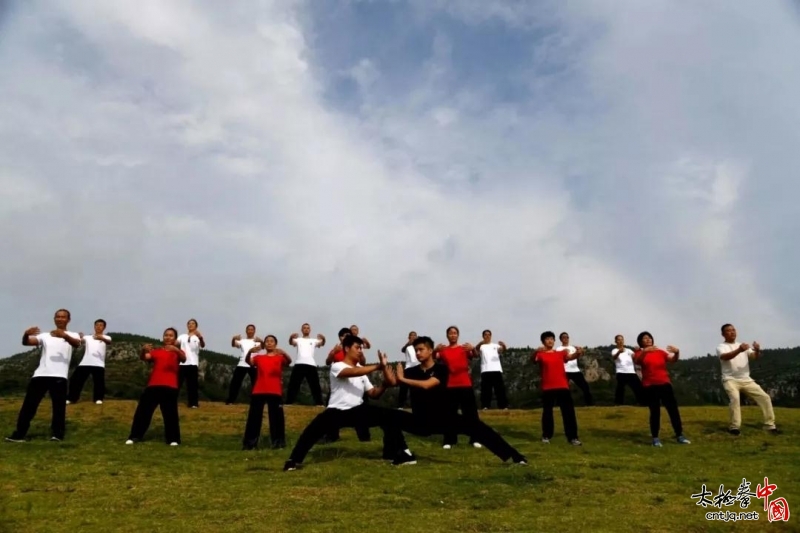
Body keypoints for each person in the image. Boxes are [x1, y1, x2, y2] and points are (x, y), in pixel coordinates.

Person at [384, 336, 528, 465]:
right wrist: (385, 368)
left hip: (443, 419)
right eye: (416, 350)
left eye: (421, 349)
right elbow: (393, 383)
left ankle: (515, 457)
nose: (417, 353)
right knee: (390, 417)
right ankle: (399, 454)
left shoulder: (442, 369)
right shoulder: (411, 372)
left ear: (430, 350)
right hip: (420, 420)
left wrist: (402, 379)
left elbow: (427, 385)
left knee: (479, 428)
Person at [283, 336, 415, 471]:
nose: (360, 351)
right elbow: (349, 373)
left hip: (357, 410)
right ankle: (293, 461)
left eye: (362, 348)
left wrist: (384, 385)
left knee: (389, 416)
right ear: (347, 348)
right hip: (336, 411)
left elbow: (373, 394)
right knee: (311, 432)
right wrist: (377, 366)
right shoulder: (337, 366)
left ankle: (400, 454)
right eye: (357, 348)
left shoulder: (362, 371)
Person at [5, 309, 81, 443]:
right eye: (57, 317)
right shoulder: (46, 336)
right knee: (29, 406)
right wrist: (25, 334)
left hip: (59, 376)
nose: (60, 319)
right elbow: (27, 342)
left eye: (63, 317)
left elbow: (77, 344)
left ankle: (57, 434)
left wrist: (64, 336)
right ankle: (19, 434)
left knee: (58, 407)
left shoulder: (73, 335)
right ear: (54, 319)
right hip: (40, 375)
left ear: (68, 320)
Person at [125, 328, 185, 445]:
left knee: (170, 414)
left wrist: (175, 350)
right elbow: (145, 357)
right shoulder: (157, 351)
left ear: (175, 339)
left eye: (171, 335)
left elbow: (184, 358)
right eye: (166, 335)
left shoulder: (177, 352)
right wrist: (143, 350)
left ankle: (173, 439)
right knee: (143, 411)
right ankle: (135, 436)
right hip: (153, 385)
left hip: (170, 386)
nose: (168, 337)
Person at [716, 324, 778, 435]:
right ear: (723, 334)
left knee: (765, 397)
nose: (732, 332)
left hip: (746, 379)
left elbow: (754, 357)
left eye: (733, 330)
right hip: (730, 379)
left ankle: (770, 425)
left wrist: (758, 350)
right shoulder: (721, 346)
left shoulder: (742, 345)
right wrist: (739, 350)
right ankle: (734, 427)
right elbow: (725, 357)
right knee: (735, 399)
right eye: (729, 331)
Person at [633, 331, 691, 447]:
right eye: (645, 338)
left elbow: (673, 360)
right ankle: (655, 438)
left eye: (649, 338)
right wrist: (645, 352)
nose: (648, 339)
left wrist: (677, 352)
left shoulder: (660, 352)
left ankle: (679, 435)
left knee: (673, 410)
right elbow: (638, 361)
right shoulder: (638, 352)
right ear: (640, 342)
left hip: (665, 384)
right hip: (650, 386)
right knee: (655, 412)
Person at [532, 332, 583, 446]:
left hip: (562, 386)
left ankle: (573, 437)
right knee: (547, 412)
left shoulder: (560, 353)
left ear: (554, 341)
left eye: (552, 339)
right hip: (548, 387)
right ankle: (546, 436)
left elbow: (571, 357)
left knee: (568, 412)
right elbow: (533, 360)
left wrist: (578, 353)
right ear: (543, 341)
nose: (550, 341)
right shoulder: (541, 354)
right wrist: (536, 351)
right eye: (547, 339)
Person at [242, 335, 292, 449]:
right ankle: (250, 444)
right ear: (264, 345)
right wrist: (249, 351)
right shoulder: (259, 358)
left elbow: (289, 361)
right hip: (259, 390)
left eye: (272, 341)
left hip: (275, 391)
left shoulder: (280, 357)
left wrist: (283, 352)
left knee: (276, 418)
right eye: (267, 341)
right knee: (254, 418)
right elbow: (248, 361)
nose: (269, 343)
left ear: (275, 344)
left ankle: (278, 443)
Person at [434, 326, 480, 449]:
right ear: (447, 336)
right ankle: (449, 440)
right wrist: (434, 350)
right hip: (450, 384)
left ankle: (475, 438)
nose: (453, 335)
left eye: (455, 333)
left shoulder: (464, 349)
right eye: (450, 333)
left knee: (471, 413)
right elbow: (431, 359)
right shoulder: (443, 350)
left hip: (465, 383)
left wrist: (473, 348)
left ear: (458, 335)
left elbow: (475, 355)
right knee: (450, 413)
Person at [323, 327, 371, 443]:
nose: (346, 337)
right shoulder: (337, 349)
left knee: (362, 409)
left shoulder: (355, 349)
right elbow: (328, 362)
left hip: (357, 379)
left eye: (348, 335)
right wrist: (333, 352)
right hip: (340, 380)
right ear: (340, 337)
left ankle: (365, 437)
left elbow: (363, 363)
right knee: (333, 408)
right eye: (343, 335)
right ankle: (332, 435)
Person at [67, 319, 112, 405]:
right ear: (94, 326)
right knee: (75, 380)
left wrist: (101, 338)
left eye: (101, 325)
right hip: (85, 363)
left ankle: (98, 399)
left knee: (99, 382)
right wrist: (80, 337)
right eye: (97, 325)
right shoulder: (88, 337)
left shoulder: (107, 337)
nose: (98, 327)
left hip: (98, 364)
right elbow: (80, 341)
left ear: (104, 327)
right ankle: (72, 398)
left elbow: (109, 342)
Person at [286, 323, 326, 406]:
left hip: (311, 364)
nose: (306, 329)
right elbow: (291, 342)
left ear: (310, 330)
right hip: (299, 363)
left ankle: (319, 403)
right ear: (302, 330)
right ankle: (289, 402)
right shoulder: (298, 339)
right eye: (304, 328)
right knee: (294, 384)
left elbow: (322, 343)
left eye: (308, 328)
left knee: (315, 385)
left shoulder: (314, 340)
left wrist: (323, 338)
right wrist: (291, 337)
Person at [474, 329, 509, 410]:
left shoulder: (495, 345)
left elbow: (502, 350)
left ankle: (503, 406)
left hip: (496, 369)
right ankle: (485, 406)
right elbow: (475, 350)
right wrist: (480, 343)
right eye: (485, 335)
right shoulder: (481, 346)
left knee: (499, 389)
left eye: (489, 334)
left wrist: (503, 345)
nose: (487, 336)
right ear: (483, 336)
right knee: (486, 390)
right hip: (485, 370)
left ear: (491, 336)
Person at [556, 332, 594, 406]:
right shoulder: (558, 349)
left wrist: (581, 350)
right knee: (562, 389)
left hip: (575, 370)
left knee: (585, 386)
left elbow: (581, 354)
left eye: (567, 337)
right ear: (561, 339)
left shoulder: (573, 347)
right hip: (564, 371)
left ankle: (589, 404)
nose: (566, 339)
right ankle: (561, 405)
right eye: (563, 337)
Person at [227, 324, 261, 405]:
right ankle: (230, 400)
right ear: (246, 331)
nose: (250, 331)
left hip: (253, 364)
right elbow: (233, 344)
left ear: (254, 331)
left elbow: (261, 348)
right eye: (248, 329)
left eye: (252, 329)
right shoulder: (242, 341)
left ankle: (256, 401)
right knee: (235, 383)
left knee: (256, 384)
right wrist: (233, 338)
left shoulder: (258, 341)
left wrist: (261, 341)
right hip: (242, 363)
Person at [177, 319, 204, 408]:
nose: (190, 325)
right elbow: (175, 343)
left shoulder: (197, 337)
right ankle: (171, 400)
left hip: (193, 363)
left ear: (196, 326)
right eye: (189, 323)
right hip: (183, 363)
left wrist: (200, 337)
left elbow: (203, 345)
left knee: (192, 384)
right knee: (177, 383)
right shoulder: (182, 336)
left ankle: (193, 403)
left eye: (192, 323)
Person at [611, 334, 643, 406]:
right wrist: (619, 352)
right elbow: (614, 357)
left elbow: (635, 357)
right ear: (616, 341)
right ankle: (618, 403)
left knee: (638, 387)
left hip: (631, 372)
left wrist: (638, 350)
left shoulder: (629, 350)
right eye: (619, 340)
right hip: (621, 372)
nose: (621, 341)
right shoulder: (614, 350)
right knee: (620, 389)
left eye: (622, 339)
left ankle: (642, 402)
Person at [397, 331, 419, 409]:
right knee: (404, 387)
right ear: (409, 337)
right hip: (408, 368)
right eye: (411, 335)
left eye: (415, 335)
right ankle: (400, 405)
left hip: (418, 367)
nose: (413, 337)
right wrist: (408, 343)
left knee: (416, 388)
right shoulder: (407, 347)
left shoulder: (418, 346)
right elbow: (402, 350)